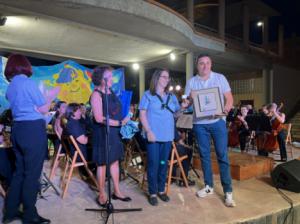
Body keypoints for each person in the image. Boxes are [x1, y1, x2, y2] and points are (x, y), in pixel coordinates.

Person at [3, 54, 60, 224]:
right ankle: (30, 215)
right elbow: (43, 109)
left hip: (18, 129)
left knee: (19, 172)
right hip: (32, 129)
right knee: (32, 174)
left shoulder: (11, 86)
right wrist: (51, 95)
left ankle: (10, 212)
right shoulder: (28, 82)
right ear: (25, 66)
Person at [184, 54, 236, 207]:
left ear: (211, 64)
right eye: (201, 63)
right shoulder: (191, 82)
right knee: (204, 155)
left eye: (207, 63)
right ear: (197, 65)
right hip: (199, 124)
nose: (205, 66)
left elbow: (230, 99)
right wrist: (188, 98)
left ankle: (228, 191)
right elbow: (185, 102)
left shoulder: (220, 78)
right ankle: (208, 186)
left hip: (217, 122)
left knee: (222, 155)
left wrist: (224, 111)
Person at [139, 68, 188, 206]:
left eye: (168, 77)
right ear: (157, 78)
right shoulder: (148, 95)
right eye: (164, 77)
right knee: (153, 164)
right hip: (153, 136)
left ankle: (161, 190)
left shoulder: (172, 97)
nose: (167, 79)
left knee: (162, 164)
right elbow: (142, 115)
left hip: (167, 136)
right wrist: (148, 131)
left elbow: (175, 115)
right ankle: (152, 192)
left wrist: (182, 108)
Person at [90, 65, 131, 207]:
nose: (112, 78)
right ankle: (102, 194)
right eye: (109, 76)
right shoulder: (96, 94)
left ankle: (117, 192)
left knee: (114, 162)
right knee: (102, 164)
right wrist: (119, 122)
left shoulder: (111, 91)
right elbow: (98, 117)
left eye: (111, 76)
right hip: (102, 133)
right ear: (101, 79)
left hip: (114, 133)